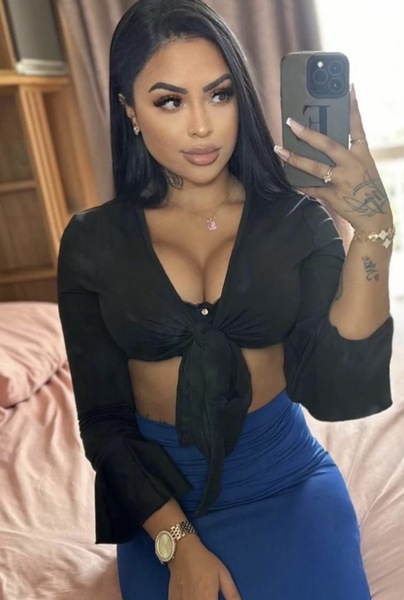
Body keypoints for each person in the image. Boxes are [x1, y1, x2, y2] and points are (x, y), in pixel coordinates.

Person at [57, 0, 395, 598]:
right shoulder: (91, 241)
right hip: (160, 503)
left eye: (219, 94)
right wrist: (178, 545)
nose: (201, 126)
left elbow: (338, 390)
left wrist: (373, 230)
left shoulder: (298, 221)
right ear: (129, 110)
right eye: (170, 101)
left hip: (287, 483)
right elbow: (103, 423)